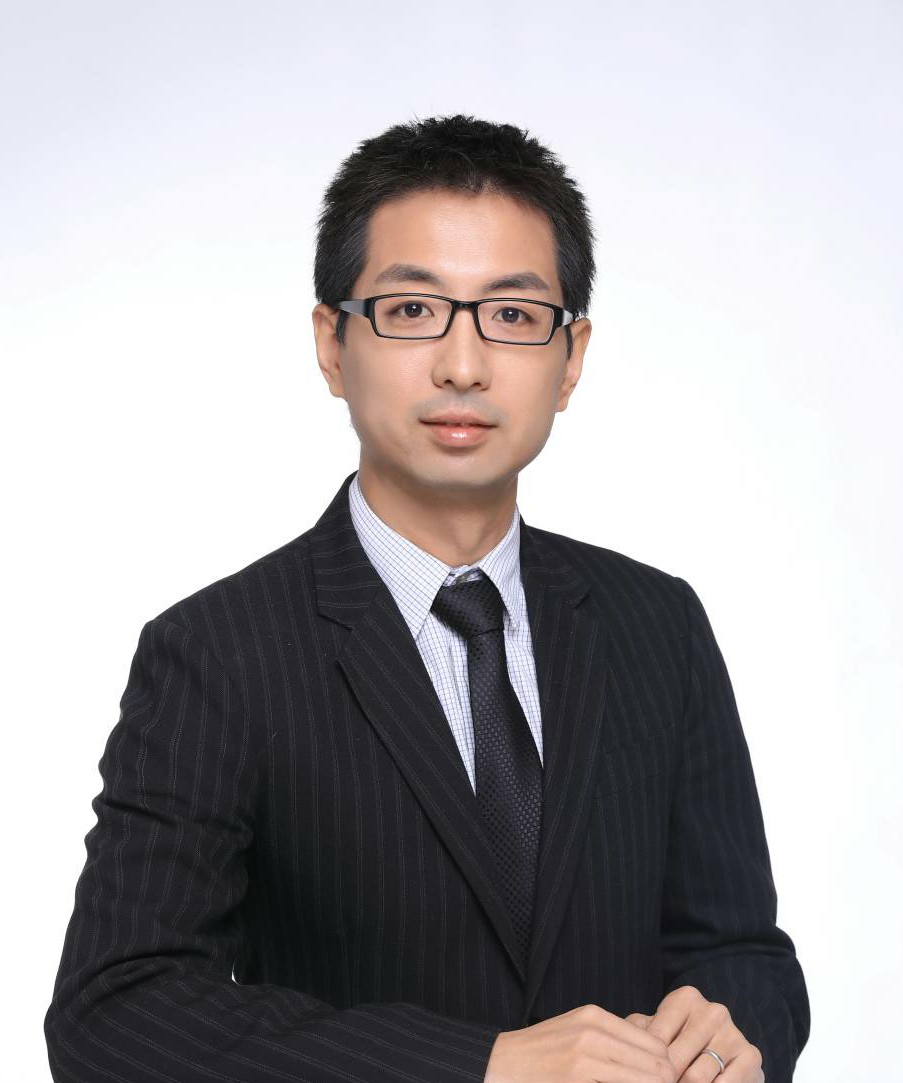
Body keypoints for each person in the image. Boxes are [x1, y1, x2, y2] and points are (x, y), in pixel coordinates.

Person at [45, 114, 809, 1083]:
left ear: (571, 357)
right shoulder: (218, 651)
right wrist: (481, 1065)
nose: (463, 364)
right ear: (332, 344)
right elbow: (115, 1013)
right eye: (411, 310)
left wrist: (733, 1026)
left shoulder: (657, 624)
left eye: (513, 315)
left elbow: (743, 951)